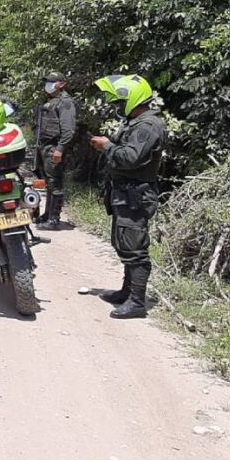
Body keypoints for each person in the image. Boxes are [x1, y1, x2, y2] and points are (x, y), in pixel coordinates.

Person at [91, 75, 166, 319]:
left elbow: (132, 158)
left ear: (132, 98)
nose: (116, 107)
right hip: (124, 192)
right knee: (123, 242)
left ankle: (137, 302)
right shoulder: (136, 122)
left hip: (135, 194)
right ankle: (126, 291)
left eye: (119, 102)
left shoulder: (147, 126)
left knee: (135, 249)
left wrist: (107, 147)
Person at [35, 71, 77, 230]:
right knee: (49, 183)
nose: (47, 85)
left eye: (51, 82)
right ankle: (47, 215)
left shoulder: (66, 103)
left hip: (54, 147)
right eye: (46, 82)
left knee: (55, 183)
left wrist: (59, 149)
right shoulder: (52, 101)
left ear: (61, 84)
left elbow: (68, 131)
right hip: (45, 147)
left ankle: (54, 219)